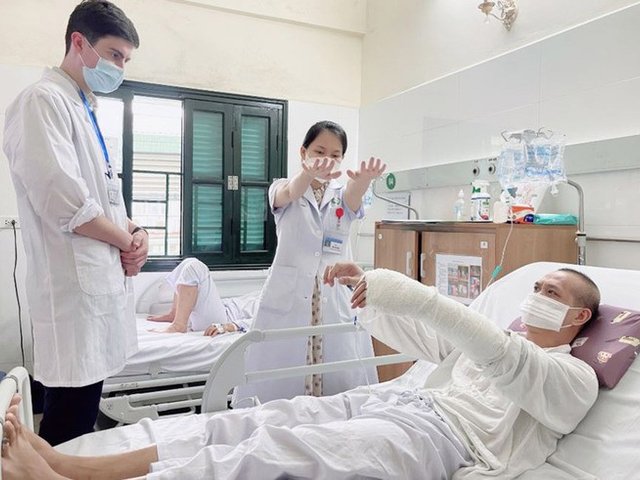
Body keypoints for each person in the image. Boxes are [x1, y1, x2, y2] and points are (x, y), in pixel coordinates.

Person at [0, 264, 600, 479]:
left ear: (580, 317)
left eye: (551, 292)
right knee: (250, 423)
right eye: (536, 287)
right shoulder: (490, 345)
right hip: (398, 402)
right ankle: (75, 466)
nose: (536, 296)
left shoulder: (573, 376)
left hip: (437, 436)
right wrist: (368, 296)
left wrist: (413, 294)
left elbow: (502, 356)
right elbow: (427, 337)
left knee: (276, 453)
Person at [2, 0, 145, 445]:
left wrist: (136, 232)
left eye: (126, 59)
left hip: (96, 294)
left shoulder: (85, 107)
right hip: (73, 297)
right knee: (68, 425)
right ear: (79, 43)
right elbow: (65, 203)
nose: (120, 67)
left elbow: (105, 199)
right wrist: (125, 242)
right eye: (114, 54)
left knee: (82, 420)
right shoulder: (42, 101)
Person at [236, 120, 387, 405]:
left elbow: (353, 197)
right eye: (319, 152)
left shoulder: (341, 194)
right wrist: (307, 174)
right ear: (303, 152)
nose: (326, 160)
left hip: (333, 293)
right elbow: (290, 193)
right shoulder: (283, 188)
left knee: (339, 384)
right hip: (289, 297)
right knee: (280, 384)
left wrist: (364, 181)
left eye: (335, 155)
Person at [147, 257, 258, 336]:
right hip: (225, 308)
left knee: (195, 268)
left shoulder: (269, 306)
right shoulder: (265, 293)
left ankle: (179, 325)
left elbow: (265, 324)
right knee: (189, 261)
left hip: (225, 320)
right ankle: (174, 314)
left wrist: (230, 326)